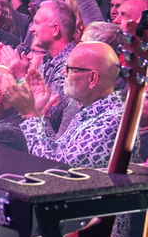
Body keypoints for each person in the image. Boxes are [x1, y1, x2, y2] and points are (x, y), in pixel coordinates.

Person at [20, 40, 126, 168]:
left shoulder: (111, 121)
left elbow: (55, 169)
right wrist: (40, 115)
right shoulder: (89, 112)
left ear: (92, 78)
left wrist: (32, 116)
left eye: (69, 69)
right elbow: (55, 151)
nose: (63, 73)